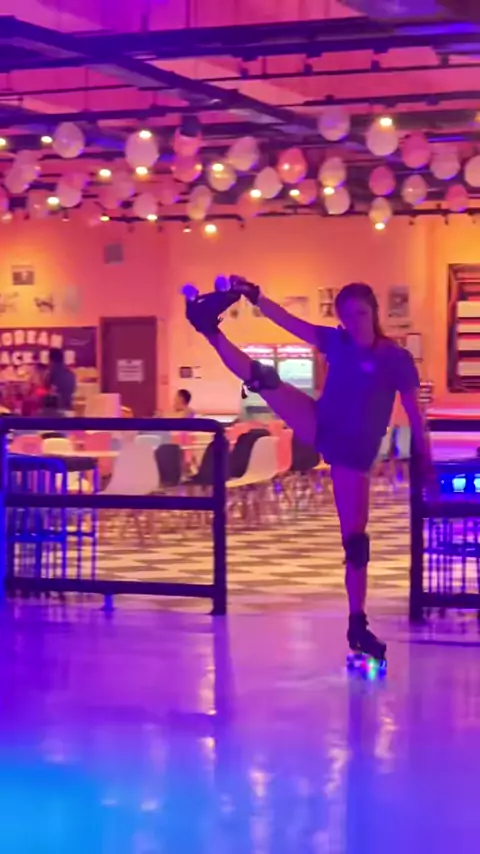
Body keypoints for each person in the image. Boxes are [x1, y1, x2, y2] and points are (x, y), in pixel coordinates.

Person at [184, 277, 433, 663]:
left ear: (374, 313)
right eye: (346, 316)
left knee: (355, 541)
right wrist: (256, 296)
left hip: (353, 454)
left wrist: (426, 459)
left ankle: (357, 622)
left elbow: (416, 415)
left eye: (360, 314)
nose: (354, 322)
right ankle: (207, 328)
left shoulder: (395, 359)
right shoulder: (338, 342)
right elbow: (290, 323)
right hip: (320, 423)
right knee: (261, 378)